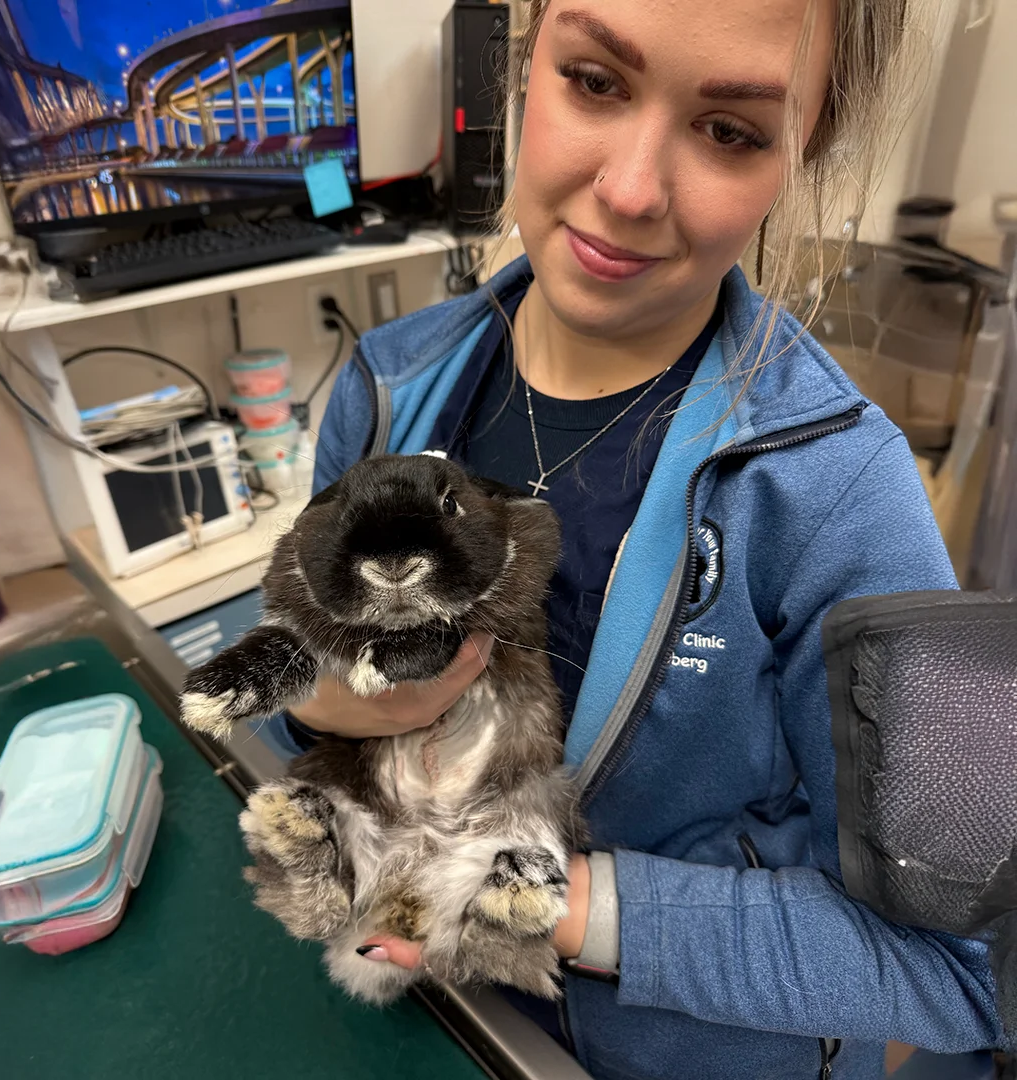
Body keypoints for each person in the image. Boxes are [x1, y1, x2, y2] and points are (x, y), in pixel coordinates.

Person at [275, 0, 1002, 1076]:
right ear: (526, 61)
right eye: (596, 81)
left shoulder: (846, 491)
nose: (627, 190)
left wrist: (542, 900)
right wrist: (315, 708)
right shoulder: (387, 390)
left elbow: (967, 967)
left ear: (807, 152)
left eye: (731, 131)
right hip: (437, 1024)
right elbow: (324, 723)